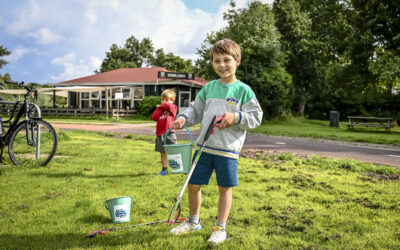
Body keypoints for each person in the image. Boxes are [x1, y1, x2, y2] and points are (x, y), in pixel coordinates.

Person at [169, 39, 263, 244]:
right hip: (204, 147)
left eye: (226, 60)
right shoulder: (209, 87)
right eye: (217, 60)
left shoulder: (243, 90)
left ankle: (220, 227)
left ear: (237, 61)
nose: (222, 65)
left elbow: (256, 117)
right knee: (193, 184)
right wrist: (184, 118)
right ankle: (193, 221)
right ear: (211, 63)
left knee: (224, 188)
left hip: (228, 150)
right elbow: (196, 110)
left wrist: (236, 118)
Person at [151, 89, 178, 176]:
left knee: (173, 152)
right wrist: (160, 108)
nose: (164, 101)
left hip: (169, 133)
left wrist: (161, 105)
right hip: (160, 134)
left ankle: (177, 168)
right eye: (163, 99)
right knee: (163, 153)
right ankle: (164, 170)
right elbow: (154, 117)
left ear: (172, 100)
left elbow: (170, 107)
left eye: (167, 99)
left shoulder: (173, 107)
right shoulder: (160, 109)